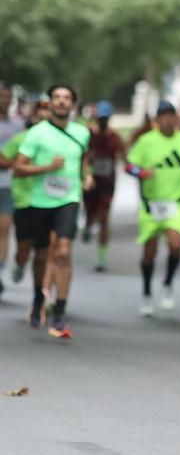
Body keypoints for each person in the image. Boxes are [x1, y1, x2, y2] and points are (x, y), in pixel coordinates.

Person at [11, 84, 95, 338]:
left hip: (69, 199)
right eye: (56, 98)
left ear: (73, 104)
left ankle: (60, 311)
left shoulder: (82, 133)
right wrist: (47, 168)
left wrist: (86, 176)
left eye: (66, 98)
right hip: (40, 201)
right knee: (41, 254)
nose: (61, 102)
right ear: (49, 102)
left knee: (63, 251)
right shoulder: (37, 133)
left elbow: (84, 161)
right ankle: (38, 297)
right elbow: (19, 168)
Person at [124, 101, 180, 315]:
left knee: (175, 245)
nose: (168, 120)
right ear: (157, 120)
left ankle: (167, 283)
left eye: (171, 116)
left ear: (176, 119)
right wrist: (141, 173)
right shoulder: (146, 141)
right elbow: (129, 165)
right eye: (163, 116)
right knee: (149, 253)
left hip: (177, 203)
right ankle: (146, 293)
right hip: (151, 205)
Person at [1, 97, 49, 297]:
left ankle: (44, 294)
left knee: (3, 231)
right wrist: (20, 166)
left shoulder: (19, 126)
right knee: (23, 246)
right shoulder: (23, 137)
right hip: (20, 193)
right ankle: (20, 262)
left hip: (18, 191)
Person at [83, 101, 126, 272]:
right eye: (100, 118)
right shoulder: (89, 136)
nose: (103, 121)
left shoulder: (114, 137)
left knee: (104, 218)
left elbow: (125, 156)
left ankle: (101, 258)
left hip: (107, 181)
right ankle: (87, 225)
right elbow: (83, 155)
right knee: (90, 213)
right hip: (91, 181)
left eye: (105, 118)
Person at [0, 88, 24, 301]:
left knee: (4, 230)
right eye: (1, 97)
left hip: (8, 185)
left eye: (8, 97)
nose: (5, 101)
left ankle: (0, 273)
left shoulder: (18, 126)